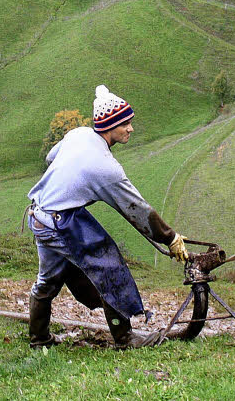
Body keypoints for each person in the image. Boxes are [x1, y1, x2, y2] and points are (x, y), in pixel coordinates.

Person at [26, 85, 191, 349]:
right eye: (126, 124)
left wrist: (69, 182)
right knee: (109, 267)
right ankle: (125, 338)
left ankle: (39, 340)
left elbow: (50, 157)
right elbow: (137, 209)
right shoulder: (105, 168)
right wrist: (170, 238)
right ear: (110, 125)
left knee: (47, 280)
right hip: (61, 222)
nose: (131, 129)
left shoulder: (78, 134)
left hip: (40, 214)